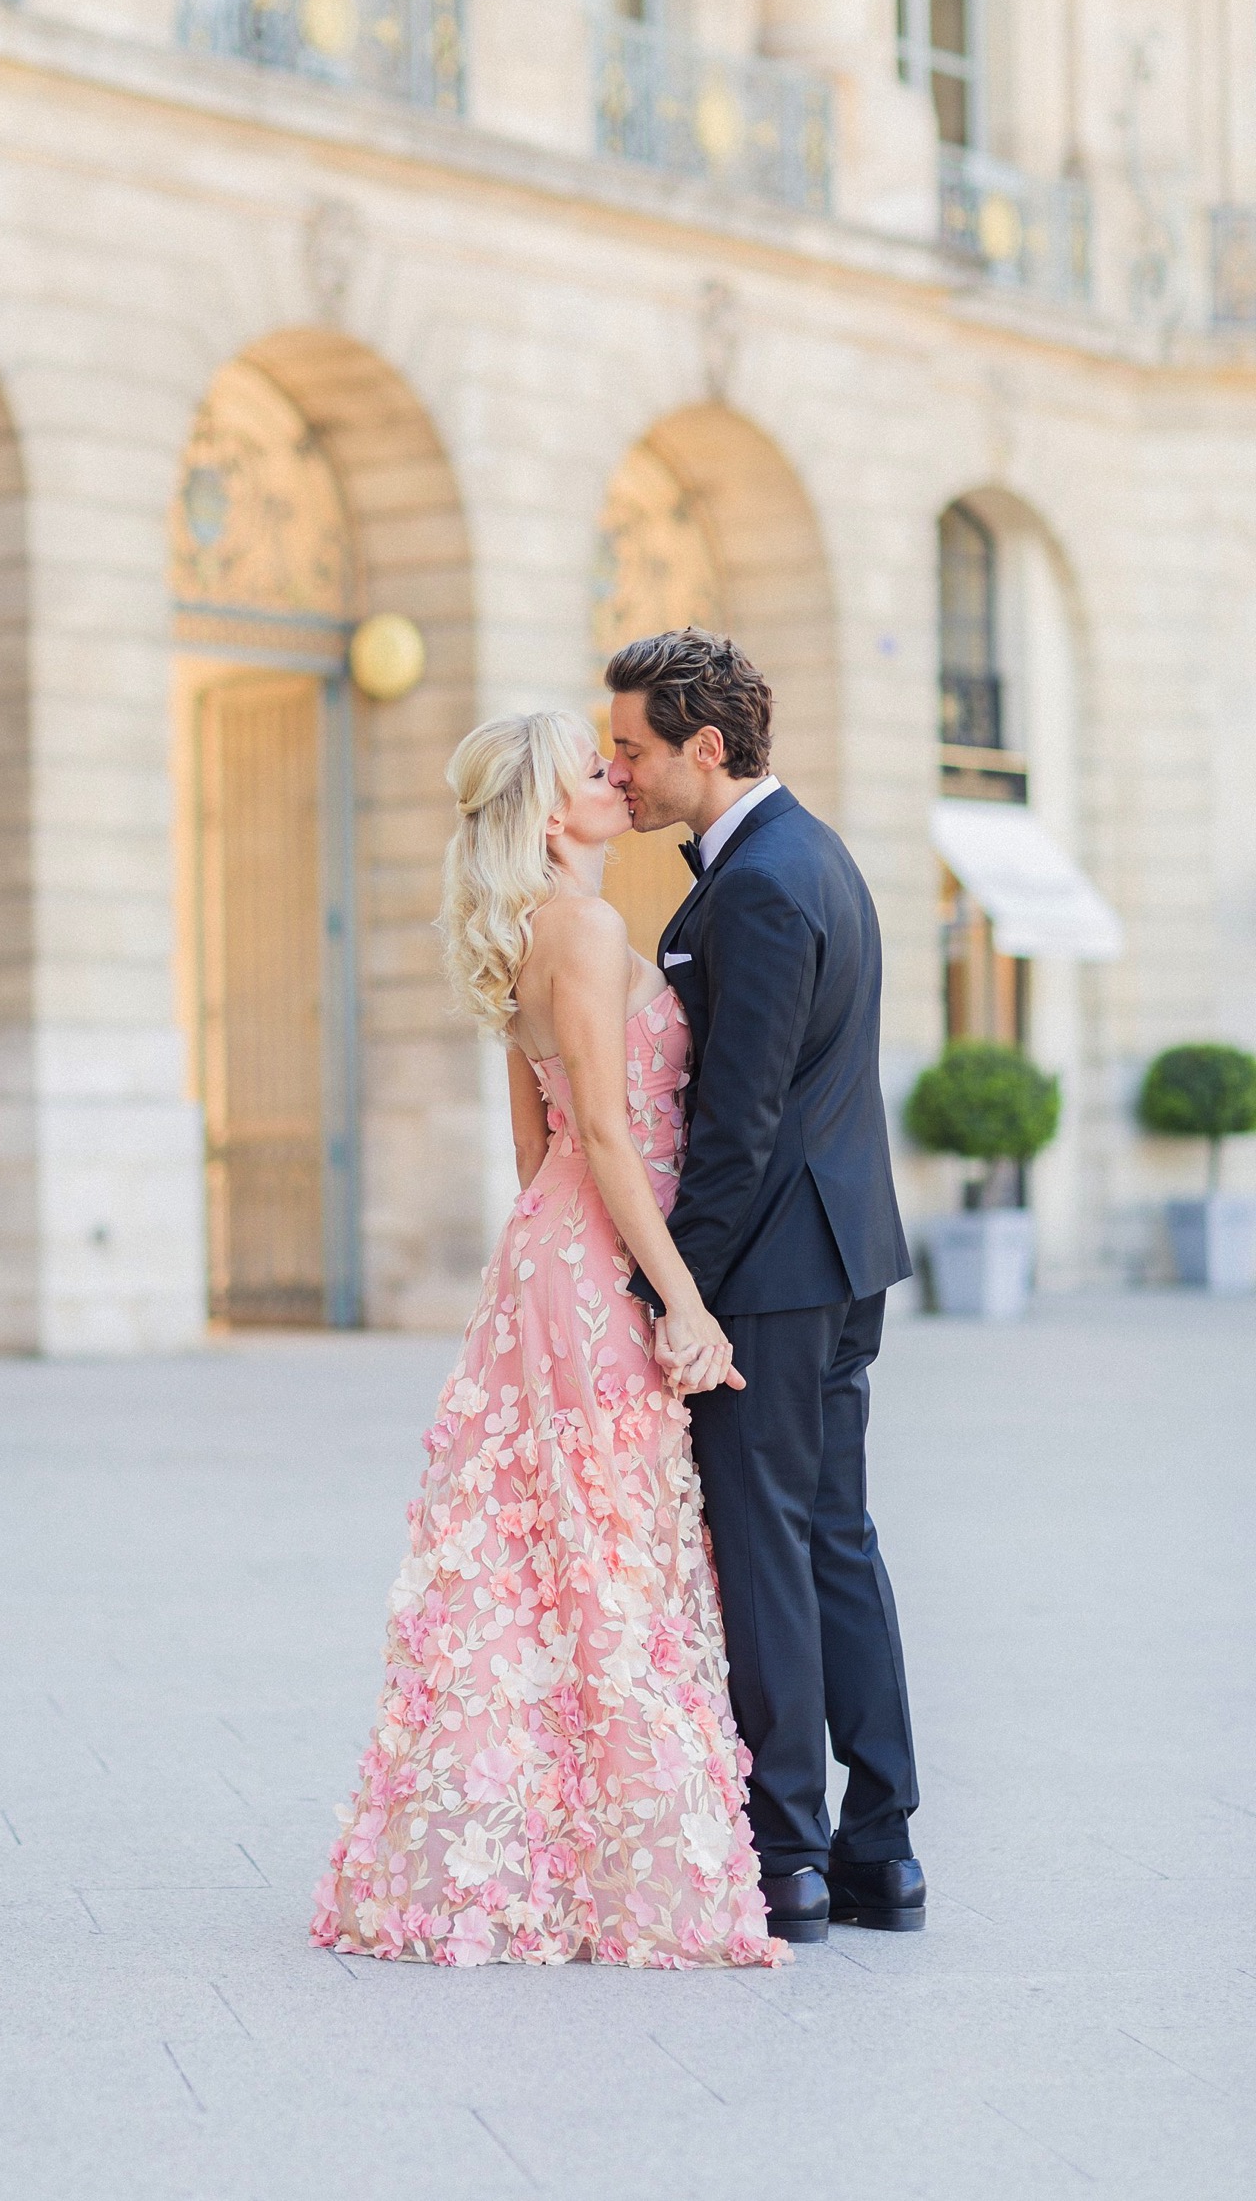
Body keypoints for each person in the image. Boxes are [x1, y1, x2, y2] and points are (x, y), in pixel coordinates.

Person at [312, 709, 788, 1968]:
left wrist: (561, 1269)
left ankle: (529, 1861)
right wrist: (680, 1298)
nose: (616, 780)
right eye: (593, 771)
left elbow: (537, 1152)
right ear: (546, 811)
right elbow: (611, 1143)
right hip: (595, 1266)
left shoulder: (520, 932)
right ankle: (611, 1874)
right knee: (606, 1549)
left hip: (547, 1256)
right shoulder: (584, 926)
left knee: (542, 1554)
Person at [605, 627, 923, 1944]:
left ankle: (789, 1849)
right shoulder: (811, 857)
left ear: (707, 747)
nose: (615, 770)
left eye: (632, 748)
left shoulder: (764, 887)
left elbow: (735, 1128)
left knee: (771, 1549)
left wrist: (678, 1294)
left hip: (777, 1275)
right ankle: (881, 1852)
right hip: (841, 1258)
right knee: (832, 1536)